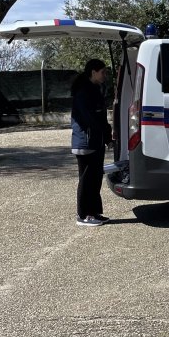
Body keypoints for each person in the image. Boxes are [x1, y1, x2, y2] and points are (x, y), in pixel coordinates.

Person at [71, 59, 112, 227]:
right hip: (85, 143)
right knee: (87, 179)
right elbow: (89, 118)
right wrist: (102, 132)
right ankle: (83, 215)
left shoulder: (95, 89)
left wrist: (107, 137)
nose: (104, 75)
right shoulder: (83, 91)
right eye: (102, 72)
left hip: (96, 141)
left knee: (95, 178)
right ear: (93, 72)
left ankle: (94, 212)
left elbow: (101, 117)